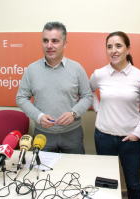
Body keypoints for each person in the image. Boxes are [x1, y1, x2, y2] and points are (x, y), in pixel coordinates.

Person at [90, 31, 140, 199]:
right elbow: (88, 91)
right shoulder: (99, 74)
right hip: (103, 137)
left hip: (130, 140)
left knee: (133, 183)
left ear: (128, 49)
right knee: (105, 181)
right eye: (109, 47)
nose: (113, 50)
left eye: (118, 46)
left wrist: (137, 134)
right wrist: (98, 108)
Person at [16, 21, 92, 154]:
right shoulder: (31, 69)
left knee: (75, 171)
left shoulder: (76, 68)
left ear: (64, 43)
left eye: (55, 41)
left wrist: (74, 113)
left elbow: (87, 96)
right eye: (45, 41)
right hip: (42, 135)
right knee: (42, 173)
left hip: (72, 135)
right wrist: (38, 116)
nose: (49, 45)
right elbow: (21, 98)